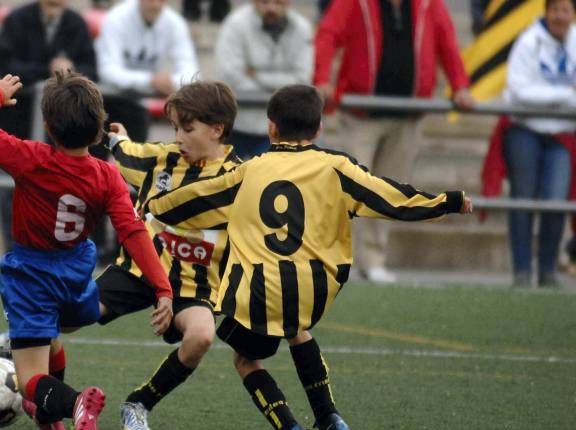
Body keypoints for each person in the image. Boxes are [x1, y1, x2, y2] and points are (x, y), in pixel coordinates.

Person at [145, 85, 473, 430]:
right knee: (296, 328)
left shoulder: (249, 170)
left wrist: (154, 207)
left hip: (260, 289)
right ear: (318, 129)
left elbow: (198, 198)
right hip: (317, 289)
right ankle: (329, 416)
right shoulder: (338, 168)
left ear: (270, 129)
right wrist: (449, 202)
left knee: (247, 359)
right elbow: (392, 199)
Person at [0, 71, 174, 430]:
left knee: (28, 379)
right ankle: (48, 417)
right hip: (76, 275)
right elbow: (133, 231)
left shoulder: (32, 159)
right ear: (97, 130)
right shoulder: (107, 174)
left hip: (31, 277)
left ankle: (75, 404)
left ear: (46, 125)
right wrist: (162, 287)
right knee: (54, 335)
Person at [52, 80, 243, 430]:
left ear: (217, 129)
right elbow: (127, 153)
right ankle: (16, 345)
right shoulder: (162, 160)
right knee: (71, 318)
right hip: (140, 270)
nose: (179, 137)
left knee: (202, 335)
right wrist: (115, 139)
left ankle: (139, 403)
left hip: (192, 283)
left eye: (187, 129)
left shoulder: (239, 178)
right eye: (174, 128)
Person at [314, 0, 476, 283]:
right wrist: (321, 78)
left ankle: (374, 260)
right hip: (361, 115)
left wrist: (460, 86)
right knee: (351, 188)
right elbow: (328, 34)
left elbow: (447, 42)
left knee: (390, 190)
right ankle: (339, 259)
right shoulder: (354, 3)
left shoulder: (430, 5)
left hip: (408, 118)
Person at [0, 0, 97, 252]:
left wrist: (71, 72)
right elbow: (6, 66)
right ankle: (14, 249)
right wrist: (49, 72)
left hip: (59, 131)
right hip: (15, 125)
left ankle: (50, 250)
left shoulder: (76, 24)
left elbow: (93, 70)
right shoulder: (17, 20)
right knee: (8, 189)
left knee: (54, 194)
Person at [500, 0, 576, 288]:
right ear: (546, 12)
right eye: (555, 9)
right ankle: (521, 271)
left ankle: (547, 272)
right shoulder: (528, 42)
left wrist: (550, 96)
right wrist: (566, 96)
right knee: (523, 200)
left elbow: (532, 92)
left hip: (563, 135)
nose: (560, 16)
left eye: (565, 10)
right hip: (525, 129)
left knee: (556, 202)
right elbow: (518, 90)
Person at [214, 0, 313, 159]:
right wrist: (282, 90)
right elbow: (230, 75)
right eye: (264, 2)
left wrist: (257, 75)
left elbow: (302, 80)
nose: (271, 8)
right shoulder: (235, 24)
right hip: (236, 125)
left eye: (278, 2)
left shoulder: (302, 28)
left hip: (282, 130)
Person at [95, 0, 199, 145]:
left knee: (135, 163)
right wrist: (151, 81)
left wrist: (171, 82)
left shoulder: (175, 23)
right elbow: (108, 71)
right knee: (95, 163)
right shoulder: (116, 18)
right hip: (104, 104)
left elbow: (192, 72)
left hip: (138, 105)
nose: (155, 5)